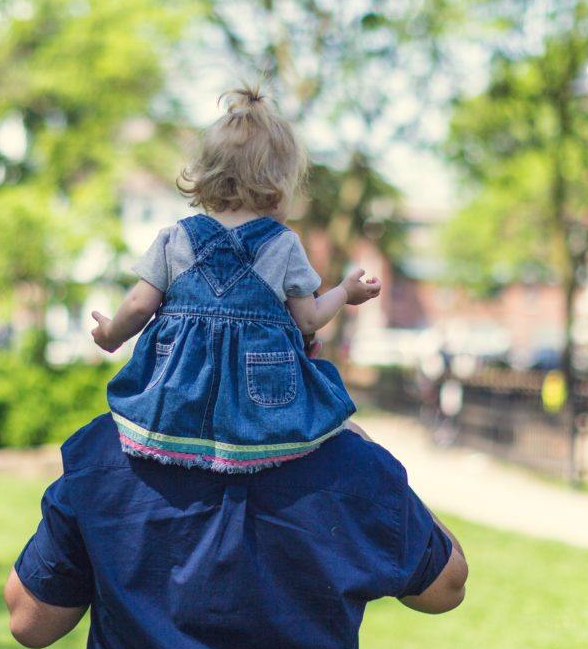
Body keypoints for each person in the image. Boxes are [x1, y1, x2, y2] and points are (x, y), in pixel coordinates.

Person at [4, 414, 469, 649]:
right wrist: (368, 455)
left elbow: (30, 620)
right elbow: (447, 585)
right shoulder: (350, 463)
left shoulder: (108, 450)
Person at [89, 84, 381, 472]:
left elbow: (140, 304)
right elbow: (309, 320)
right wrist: (344, 292)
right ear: (280, 185)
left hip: (177, 402)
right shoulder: (283, 245)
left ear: (206, 175)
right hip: (258, 412)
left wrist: (112, 335)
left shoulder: (175, 237)